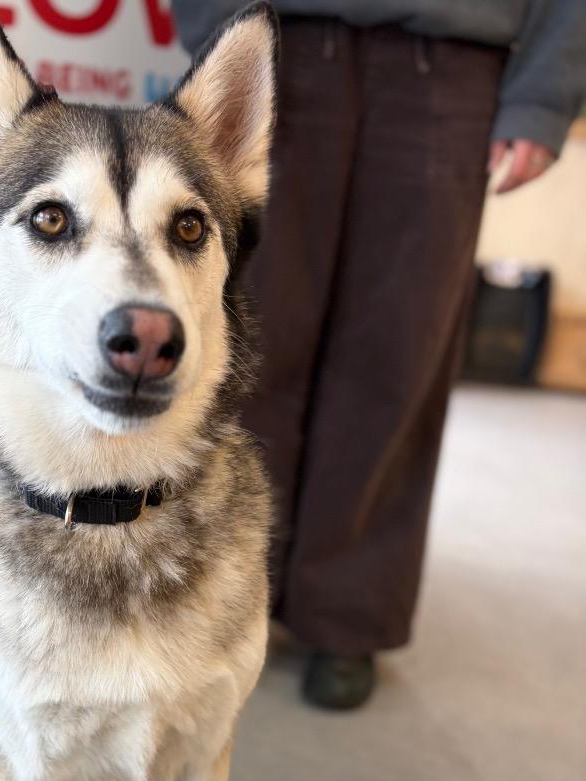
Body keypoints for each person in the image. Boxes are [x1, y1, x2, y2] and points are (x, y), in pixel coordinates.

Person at [171, 0, 586, 709]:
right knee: (249, 342)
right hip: (277, 45)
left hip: (451, 68)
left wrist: (543, 98)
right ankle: (222, 592)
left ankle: (348, 615)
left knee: (398, 352)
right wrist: (219, 37)